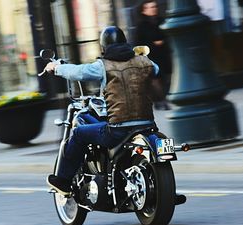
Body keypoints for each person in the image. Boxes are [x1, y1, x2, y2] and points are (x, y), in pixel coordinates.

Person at [45, 26, 159, 196]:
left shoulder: (103, 66)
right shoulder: (145, 62)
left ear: (104, 47)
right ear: (125, 43)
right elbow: (156, 70)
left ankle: (63, 182)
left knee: (78, 134)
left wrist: (56, 67)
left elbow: (78, 72)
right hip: (147, 125)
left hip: (118, 130)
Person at [136, 0, 172, 110]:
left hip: (163, 55)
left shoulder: (161, 21)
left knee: (165, 78)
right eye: (150, 7)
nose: (153, 9)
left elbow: (168, 35)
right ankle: (161, 101)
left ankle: (161, 100)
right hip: (150, 56)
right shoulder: (141, 26)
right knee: (155, 79)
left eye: (154, 6)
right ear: (144, 10)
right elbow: (138, 44)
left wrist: (162, 42)